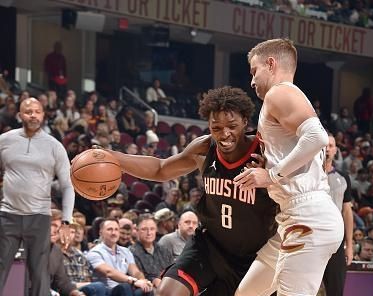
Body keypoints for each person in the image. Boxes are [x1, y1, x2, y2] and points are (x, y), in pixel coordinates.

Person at [101, 86, 278, 295]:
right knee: (167, 293)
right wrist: (113, 157)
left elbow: (299, 183)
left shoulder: (266, 152)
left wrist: (271, 178)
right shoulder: (204, 148)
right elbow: (160, 169)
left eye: (232, 126)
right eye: (217, 127)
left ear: (245, 122)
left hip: (253, 256)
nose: (225, 134)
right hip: (209, 246)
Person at [233, 38, 343, 296]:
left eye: (254, 71)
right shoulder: (285, 97)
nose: (251, 81)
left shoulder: (279, 92)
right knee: (246, 293)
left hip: (308, 217)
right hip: (294, 217)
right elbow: (302, 146)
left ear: (270, 64)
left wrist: (270, 174)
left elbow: (317, 138)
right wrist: (269, 163)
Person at [0, 97, 75, 296]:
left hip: (40, 217)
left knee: (39, 274)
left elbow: (68, 185)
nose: (33, 115)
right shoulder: (4, 141)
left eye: (37, 111)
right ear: (19, 115)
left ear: (43, 115)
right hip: (8, 215)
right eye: (28, 111)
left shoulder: (54, 145)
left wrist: (66, 221)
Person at [86, 218, 153, 295]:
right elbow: (109, 272)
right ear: (101, 233)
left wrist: (143, 281)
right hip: (107, 291)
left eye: (116, 229)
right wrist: (133, 281)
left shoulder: (125, 251)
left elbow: (135, 272)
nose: (113, 233)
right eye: (109, 229)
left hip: (125, 288)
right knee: (125, 287)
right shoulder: (95, 252)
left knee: (147, 289)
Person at [322, 134, 354, 296]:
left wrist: (349, 245)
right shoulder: (305, 175)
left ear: (336, 150)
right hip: (312, 240)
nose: (327, 149)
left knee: (335, 291)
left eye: (331, 145)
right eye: (324, 145)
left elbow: (347, 212)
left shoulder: (343, 177)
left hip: (336, 242)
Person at [130, 214, 174, 290]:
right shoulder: (131, 251)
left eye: (152, 229)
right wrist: (153, 280)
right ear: (137, 230)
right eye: (144, 229)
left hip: (168, 285)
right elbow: (138, 276)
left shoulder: (164, 249)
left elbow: (172, 270)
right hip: (147, 288)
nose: (149, 233)